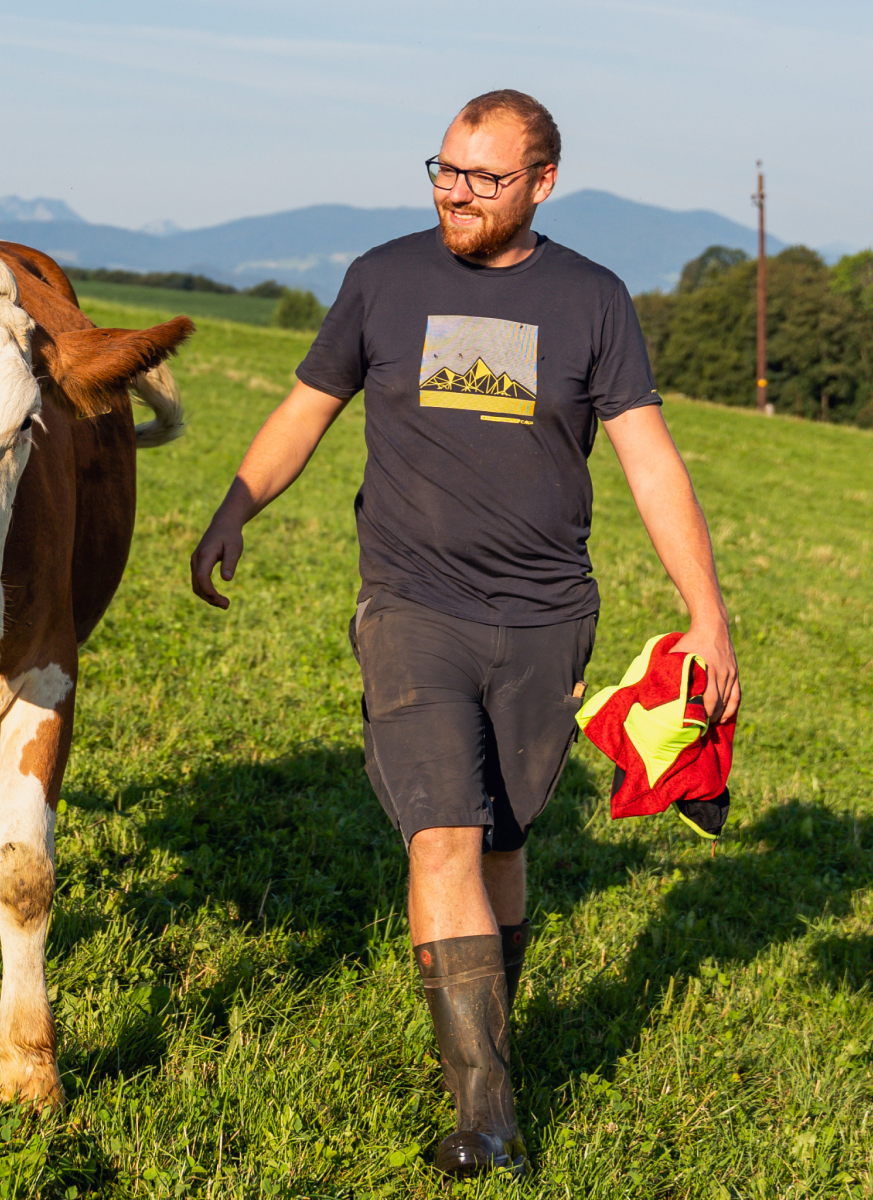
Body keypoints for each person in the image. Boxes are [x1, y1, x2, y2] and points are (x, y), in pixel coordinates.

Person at [188, 89, 741, 1181]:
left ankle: (486, 1036)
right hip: (412, 604)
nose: (456, 193)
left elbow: (648, 460)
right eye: (445, 170)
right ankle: (488, 1115)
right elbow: (307, 407)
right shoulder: (382, 279)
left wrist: (707, 613)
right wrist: (236, 505)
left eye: (484, 178)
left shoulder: (592, 299)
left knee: (502, 843)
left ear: (542, 184)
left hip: (546, 615)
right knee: (443, 833)